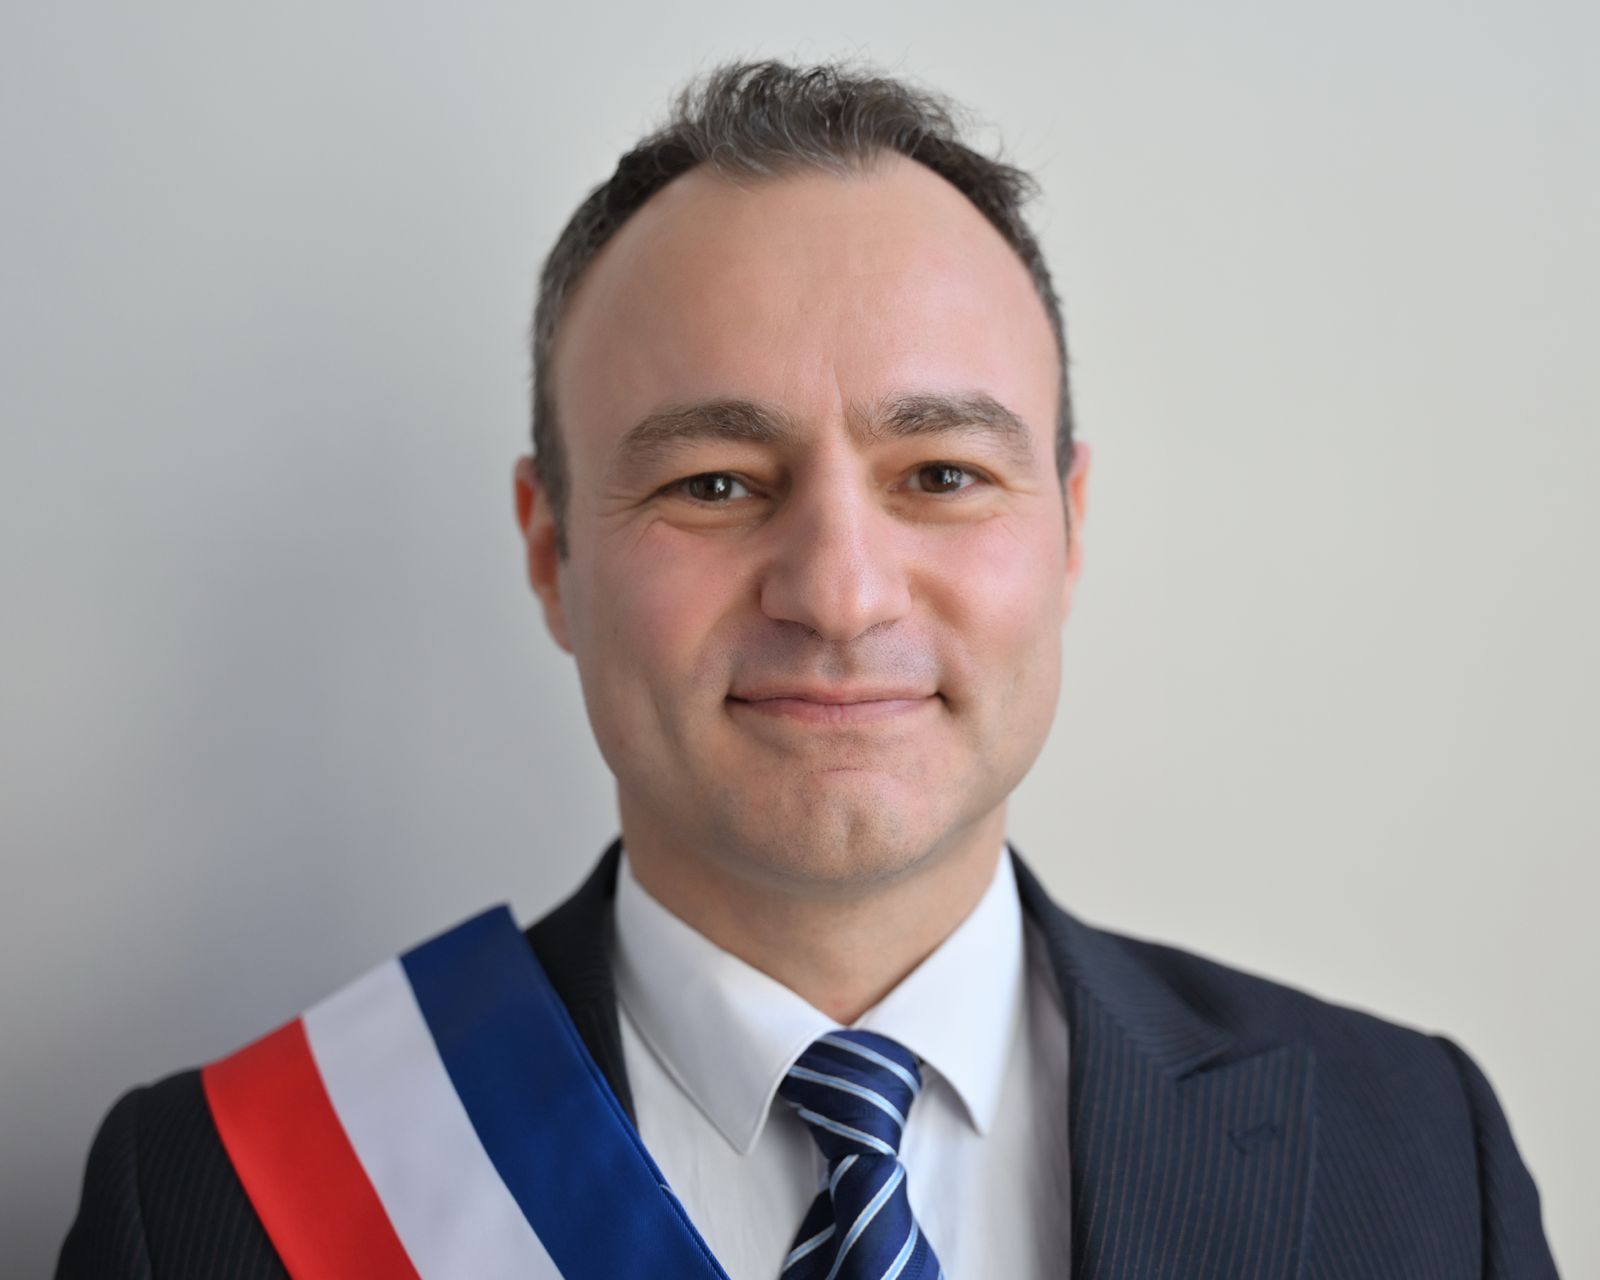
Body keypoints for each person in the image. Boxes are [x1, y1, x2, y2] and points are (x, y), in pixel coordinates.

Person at [57, 60, 1558, 1279]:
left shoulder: (1417, 1155)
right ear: (551, 552)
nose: (840, 594)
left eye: (943, 475)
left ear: (1069, 528)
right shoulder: (212, 1205)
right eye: (714, 484)